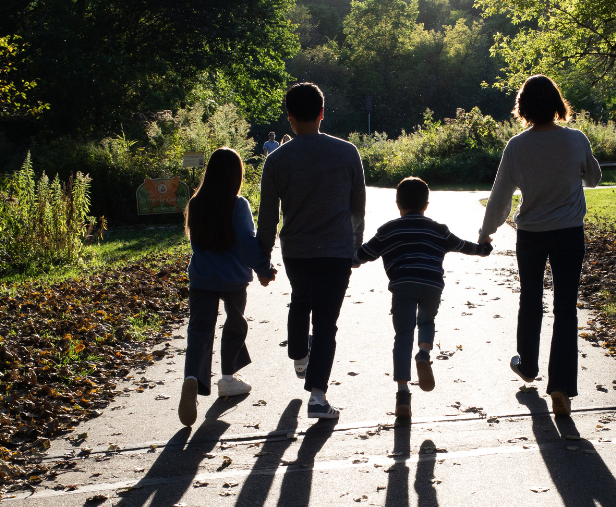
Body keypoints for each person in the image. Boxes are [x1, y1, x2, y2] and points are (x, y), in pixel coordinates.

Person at [478, 75, 602, 417]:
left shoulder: (517, 146)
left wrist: (487, 231)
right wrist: (584, 162)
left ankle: (528, 365)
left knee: (531, 298)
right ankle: (560, 385)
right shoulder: (576, 140)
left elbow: (501, 194)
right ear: (557, 105)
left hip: (531, 233)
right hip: (568, 232)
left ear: (525, 107)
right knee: (565, 307)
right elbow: (592, 179)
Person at [258, 82, 366, 419]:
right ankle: (318, 397)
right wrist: (356, 246)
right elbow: (357, 207)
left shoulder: (276, 160)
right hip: (336, 251)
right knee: (326, 323)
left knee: (300, 300)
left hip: (296, 249)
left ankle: (298, 355)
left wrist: (263, 261)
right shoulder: (348, 152)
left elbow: (266, 218)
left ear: (289, 118)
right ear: (322, 113)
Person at [353, 177, 492, 417]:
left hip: (403, 285)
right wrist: (483, 248)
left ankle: (403, 394)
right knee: (426, 322)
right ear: (426, 205)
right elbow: (463, 246)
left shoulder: (388, 230)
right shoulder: (439, 229)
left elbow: (362, 254)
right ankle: (424, 354)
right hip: (431, 285)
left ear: (398, 204)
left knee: (403, 335)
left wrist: (347, 259)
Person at [178, 147, 277, 426]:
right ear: (236, 175)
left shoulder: (196, 204)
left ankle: (192, 379)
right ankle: (228, 378)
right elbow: (247, 244)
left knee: (199, 330)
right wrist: (265, 270)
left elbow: (196, 243)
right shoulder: (238, 204)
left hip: (201, 278)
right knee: (235, 323)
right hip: (233, 279)